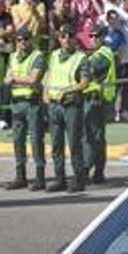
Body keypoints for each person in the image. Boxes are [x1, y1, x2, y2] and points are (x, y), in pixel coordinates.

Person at [42, 24, 88, 192]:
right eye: (63, 36)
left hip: (70, 104)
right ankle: (59, 177)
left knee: (74, 143)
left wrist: (66, 90)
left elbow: (84, 82)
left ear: (74, 38)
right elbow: (49, 75)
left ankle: (78, 178)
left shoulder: (80, 57)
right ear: (59, 38)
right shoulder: (53, 55)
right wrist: (45, 92)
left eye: (69, 35)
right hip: (54, 104)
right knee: (56, 144)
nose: (66, 39)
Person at [4, 27, 46, 189]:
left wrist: (14, 79)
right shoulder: (13, 56)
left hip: (32, 102)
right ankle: (20, 175)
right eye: (19, 40)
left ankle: (40, 175)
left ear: (30, 40)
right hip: (17, 102)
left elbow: (33, 79)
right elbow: (7, 77)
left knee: (36, 139)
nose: (22, 43)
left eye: (25, 39)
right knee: (18, 139)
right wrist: (14, 79)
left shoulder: (37, 57)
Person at [79, 23, 117, 184]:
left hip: (97, 100)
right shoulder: (96, 53)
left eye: (97, 36)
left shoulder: (103, 54)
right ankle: (98, 172)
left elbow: (90, 71)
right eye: (91, 36)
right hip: (95, 99)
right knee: (97, 137)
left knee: (90, 136)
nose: (93, 39)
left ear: (103, 37)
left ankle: (87, 169)